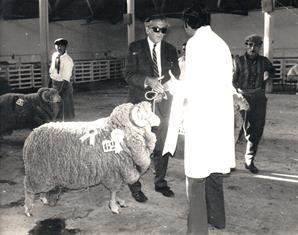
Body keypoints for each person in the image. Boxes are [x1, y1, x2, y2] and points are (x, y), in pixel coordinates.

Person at [181, 4, 236, 234]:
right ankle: (217, 219)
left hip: (202, 115)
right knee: (214, 171)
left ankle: (197, 229)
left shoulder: (195, 43)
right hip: (220, 116)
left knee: (195, 175)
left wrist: (175, 89)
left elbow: (192, 82)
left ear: (187, 24)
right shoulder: (221, 43)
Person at [125, 15, 180, 203]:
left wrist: (164, 86)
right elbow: (129, 75)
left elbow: (176, 74)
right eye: (157, 29)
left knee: (161, 143)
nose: (161, 33)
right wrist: (148, 81)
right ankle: (135, 185)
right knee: (137, 144)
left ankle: (160, 182)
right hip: (140, 105)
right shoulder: (135, 48)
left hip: (163, 104)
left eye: (164, 30)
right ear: (148, 29)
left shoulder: (171, 50)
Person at [233, 34, 275, 174]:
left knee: (256, 128)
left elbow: (271, 70)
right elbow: (231, 80)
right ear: (246, 45)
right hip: (242, 96)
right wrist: (236, 96)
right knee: (236, 129)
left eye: (256, 45)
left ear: (260, 47)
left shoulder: (264, 61)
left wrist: (267, 77)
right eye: (250, 45)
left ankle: (249, 159)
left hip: (258, 96)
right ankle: (229, 161)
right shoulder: (237, 61)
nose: (253, 48)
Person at [49, 38, 75, 121]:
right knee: (56, 106)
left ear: (65, 47)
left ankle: (69, 125)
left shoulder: (68, 60)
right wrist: (50, 86)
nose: (59, 48)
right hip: (55, 83)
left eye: (61, 46)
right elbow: (52, 72)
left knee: (67, 108)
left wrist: (59, 93)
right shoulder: (54, 56)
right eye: (57, 46)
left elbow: (66, 79)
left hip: (65, 85)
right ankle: (58, 123)